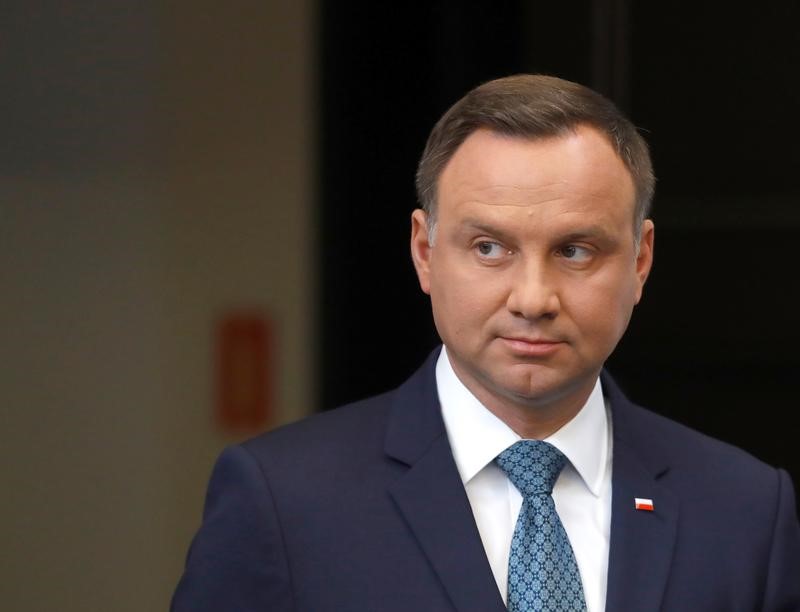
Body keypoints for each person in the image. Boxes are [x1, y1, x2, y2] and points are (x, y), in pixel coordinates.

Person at [171, 75, 800, 611]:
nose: (532, 298)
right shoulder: (283, 502)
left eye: (575, 251)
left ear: (641, 261)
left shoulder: (746, 512)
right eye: (489, 248)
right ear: (424, 252)